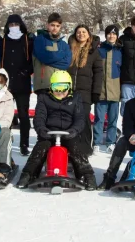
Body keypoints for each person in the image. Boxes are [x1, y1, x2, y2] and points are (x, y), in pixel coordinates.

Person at [16, 70, 96, 190]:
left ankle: (87, 175)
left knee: (77, 150)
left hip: (69, 133)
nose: (60, 92)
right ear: (51, 87)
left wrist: (74, 131)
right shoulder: (44, 98)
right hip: (49, 133)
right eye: (56, 88)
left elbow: (80, 118)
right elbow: (39, 117)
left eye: (63, 88)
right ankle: (28, 173)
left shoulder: (76, 98)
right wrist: (42, 130)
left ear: (69, 87)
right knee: (40, 150)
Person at [0, 14, 34, 156]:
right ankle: (3, 143)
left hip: (22, 83)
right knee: (4, 115)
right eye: (11, 24)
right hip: (7, 83)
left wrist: (26, 71)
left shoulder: (27, 40)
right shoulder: (4, 41)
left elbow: (32, 60)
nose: (14, 27)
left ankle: (24, 144)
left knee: (23, 115)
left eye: (16, 24)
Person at [67, 24, 103, 155]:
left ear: (88, 34)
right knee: (70, 119)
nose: (81, 34)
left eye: (83, 32)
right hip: (69, 91)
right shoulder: (69, 49)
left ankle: (86, 148)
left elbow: (99, 72)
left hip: (85, 91)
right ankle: (72, 146)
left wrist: (96, 92)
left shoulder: (94, 51)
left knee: (84, 119)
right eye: (78, 32)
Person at [94, 25, 122, 152]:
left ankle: (111, 142)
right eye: (109, 34)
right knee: (99, 119)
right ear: (105, 35)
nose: (111, 36)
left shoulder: (120, 50)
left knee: (113, 119)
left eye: (114, 34)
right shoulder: (99, 50)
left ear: (117, 36)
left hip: (115, 91)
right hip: (101, 91)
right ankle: (97, 143)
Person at [32, 12, 71, 94]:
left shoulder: (63, 44)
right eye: (52, 25)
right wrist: (62, 54)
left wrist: (52, 58)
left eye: (57, 26)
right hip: (43, 85)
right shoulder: (40, 40)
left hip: (59, 85)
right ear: (47, 25)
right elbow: (45, 57)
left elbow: (66, 63)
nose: (55, 28)